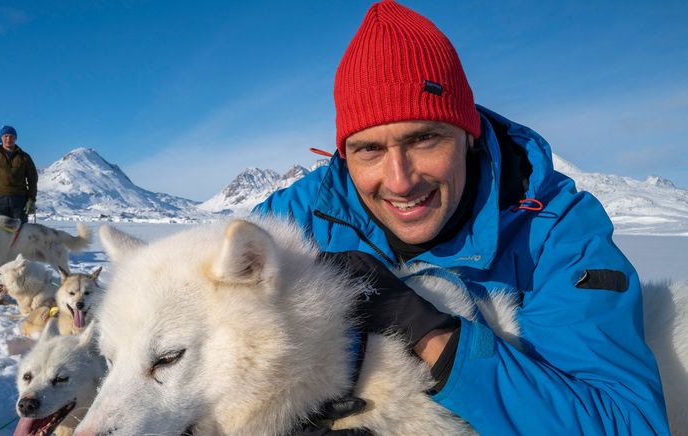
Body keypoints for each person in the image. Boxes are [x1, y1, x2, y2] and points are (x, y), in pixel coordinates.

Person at [255, 1, 669, 434]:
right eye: (370, 149)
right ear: (344, 154)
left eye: (424, 138)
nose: (400, 181)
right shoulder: (293, 224)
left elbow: (627, 423)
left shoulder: (556, 236)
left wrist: (431, 333)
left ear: (468, 135)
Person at [0, 125, 38, 223]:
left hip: (19, 199)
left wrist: (31, 199)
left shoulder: (24, 157)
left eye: (12, 136)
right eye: (6, 136)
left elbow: (33, 179)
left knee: (19, 231)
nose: (9, 139)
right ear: (1, 138)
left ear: (15, 138)